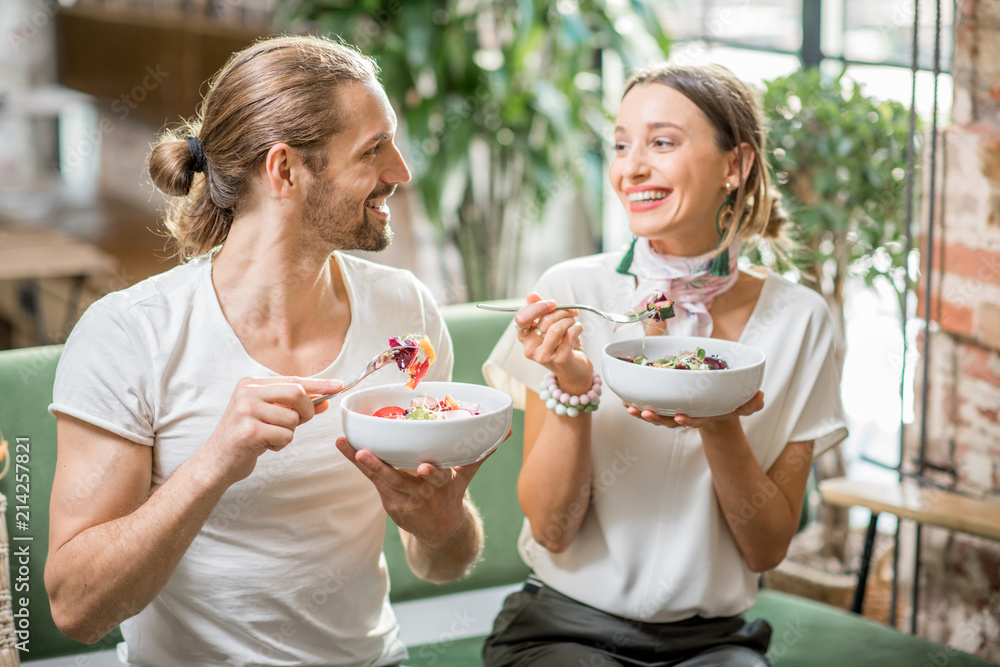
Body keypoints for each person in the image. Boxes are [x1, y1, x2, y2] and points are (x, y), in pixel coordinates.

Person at [44, 35, 486, 666]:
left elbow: (444, 563)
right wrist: (216, 460)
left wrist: (444, 525)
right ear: (285, 170)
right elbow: (77, 610)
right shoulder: (130, 334)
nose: (401, 172)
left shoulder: (406, 317)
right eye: (374, 149)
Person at [481, 63, 848, 667]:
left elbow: (766, 548)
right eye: (622, 144)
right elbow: (552, 530)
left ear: (736, 166)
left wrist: (717, 416)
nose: (631, 168)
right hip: (563, 628)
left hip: (712, 644)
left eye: (662, 142)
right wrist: (573, 389)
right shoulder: (572, 291)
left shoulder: (800, 319)